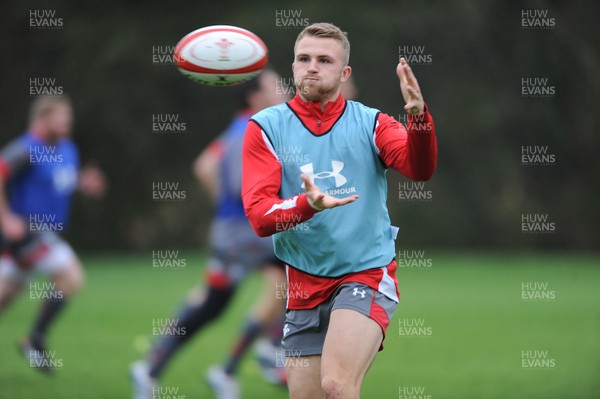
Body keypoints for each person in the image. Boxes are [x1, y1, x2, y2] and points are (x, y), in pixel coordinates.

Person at [241, 23, 438, 399]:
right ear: (293, 66)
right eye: (304, 59)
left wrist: (418, 119)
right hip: (301, 285)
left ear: (344, 73)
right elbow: (260, 216)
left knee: (336, 386)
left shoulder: (372, 123)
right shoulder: (265, 128)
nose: (312, 67)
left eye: (324, 60)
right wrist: (307, 204)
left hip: (364, 272)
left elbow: (420, 169)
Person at [130, 69, 289, 399]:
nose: (283, 89)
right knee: (299, 278)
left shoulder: (245, 126)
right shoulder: (252, 129)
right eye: (276, 85)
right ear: (255, 97)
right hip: (245, 235)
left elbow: (204, 165)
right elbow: (240, 184)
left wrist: (226, 208)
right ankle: (262, 354)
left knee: (231, 299)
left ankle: (224, 365)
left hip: (241, 233)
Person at [0, 95, 106, 373]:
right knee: (71, 275)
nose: (67, 123)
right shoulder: (27, 148)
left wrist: (83, 182)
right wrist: (6, 217)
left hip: (41, 235)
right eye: (61, 118)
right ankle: (34, 340)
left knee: (5, 295)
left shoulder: (66, 148)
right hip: (28, 234)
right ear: (43, 119)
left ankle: (33, 340)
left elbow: (59, 179)